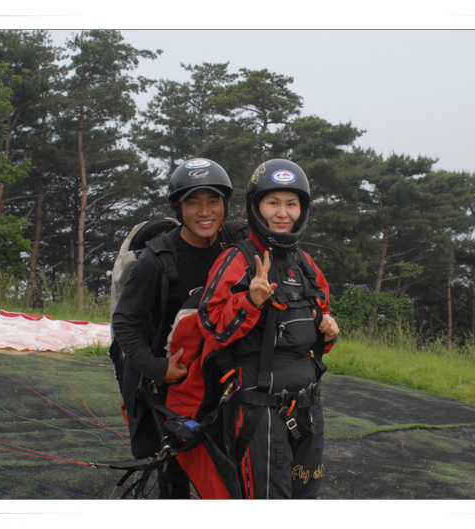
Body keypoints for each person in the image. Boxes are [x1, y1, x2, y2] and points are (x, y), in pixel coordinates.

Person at [195, 158, 339, 499]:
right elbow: (211, 327)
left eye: (291, 204)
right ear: (256, 207)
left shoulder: (305, 264)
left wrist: (327, 330)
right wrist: (251, 300)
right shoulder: (238, 259)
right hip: (259, 410)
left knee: (306, 497)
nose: (282, 213)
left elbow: (315, 324)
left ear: (302, 210)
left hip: (308, 406)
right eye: (273, 203)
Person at [111, 157, 247, 498]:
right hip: (175, 385)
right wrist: (159, 369)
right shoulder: (157, 260)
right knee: (177, 468)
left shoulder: (235, 239)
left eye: (213, 201)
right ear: (178, 208)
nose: (205, 212)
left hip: (219, 373)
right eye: (193, 203)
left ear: (225, 205)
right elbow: (125, 323)